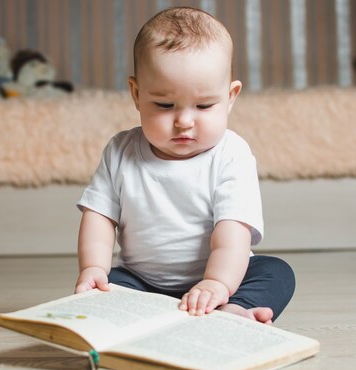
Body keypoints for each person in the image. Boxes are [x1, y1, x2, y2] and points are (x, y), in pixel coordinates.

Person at [74, 7, 294, 324]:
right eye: (164, 105)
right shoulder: (122, 151)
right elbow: (99, 216)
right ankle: (143, 314)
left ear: (231, 96)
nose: (184, 122)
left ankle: (233, 310)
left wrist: (217, 283)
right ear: (136, 95)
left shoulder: (231, 154)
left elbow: (233, 230)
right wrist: (93, 268)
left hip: (223, 277)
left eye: (204, 105)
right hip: (145, 282)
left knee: (276, 272)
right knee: (114, 284)